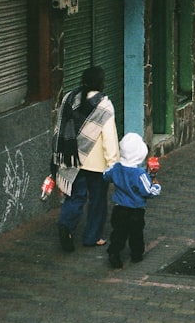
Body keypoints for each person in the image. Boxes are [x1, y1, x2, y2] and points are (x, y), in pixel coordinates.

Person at [52, 66, 120, 252]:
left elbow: (59, 126)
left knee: (75, 197)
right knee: (97, 201)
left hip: (73, 159)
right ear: (101, 82)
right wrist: (113, 163)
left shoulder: (69, 97)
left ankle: (66, 225)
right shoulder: (104, 104)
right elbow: (109, 138)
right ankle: (92, 237)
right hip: (97, 164)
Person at [103, 132, 162, 268]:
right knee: (136, 234)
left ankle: (114, 253)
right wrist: (156, 183)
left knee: (118, 233)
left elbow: (106, 175)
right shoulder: (139, 174)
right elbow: (148, 191)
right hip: (136, 210)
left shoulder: (116, 168)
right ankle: (136, 254)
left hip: (119, 208)